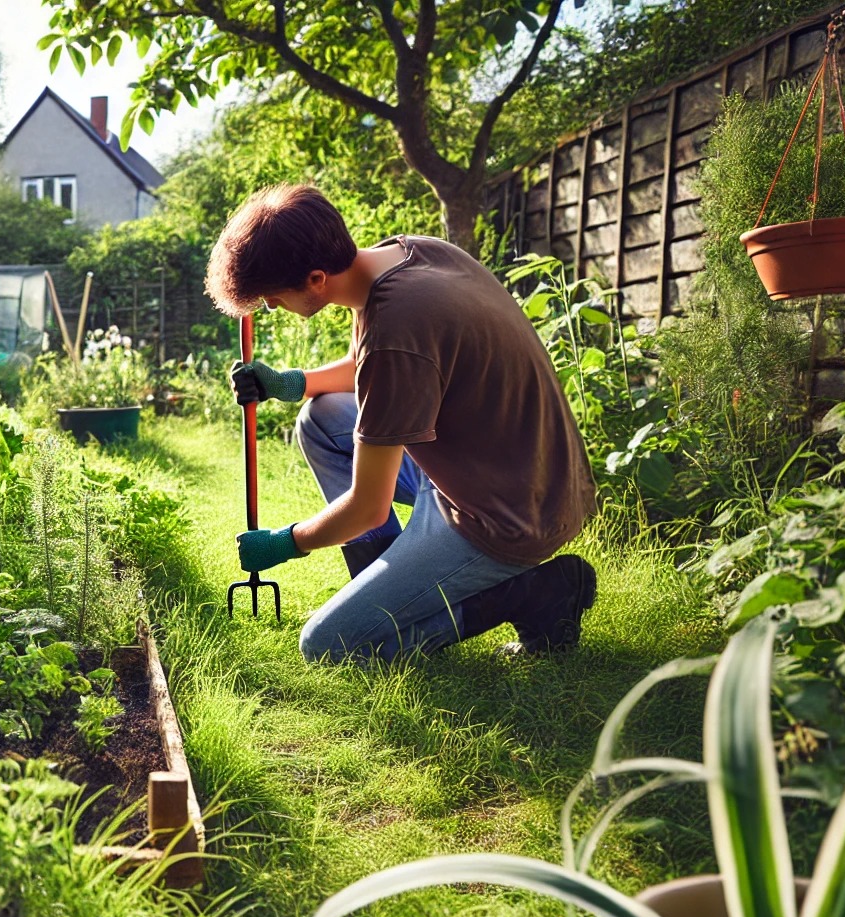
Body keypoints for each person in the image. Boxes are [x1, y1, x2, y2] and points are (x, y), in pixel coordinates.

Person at [208, 184, 598, 662]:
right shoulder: (408, 256)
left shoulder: (397, 328)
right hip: (512, 472)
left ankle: (534, 594)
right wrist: (290, 384)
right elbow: (366, 364)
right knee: (322, 416)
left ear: (314, 279)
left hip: (507, 517)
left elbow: (367, 508)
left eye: (271, 296)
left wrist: (283, 543)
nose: (270, 307)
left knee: (327, 646)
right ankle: (390, 583)